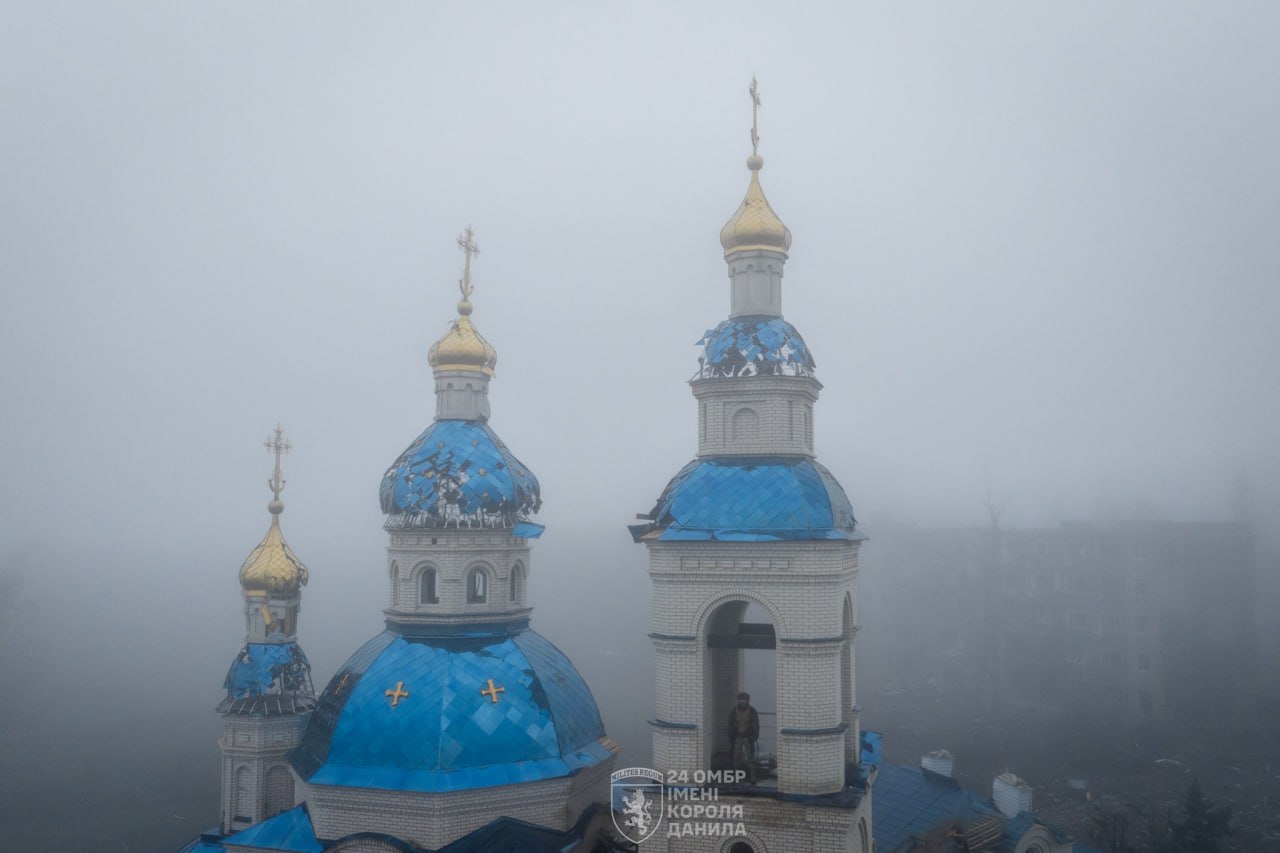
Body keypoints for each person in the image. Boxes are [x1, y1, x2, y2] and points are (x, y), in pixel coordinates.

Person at [726, 691, 759, 783]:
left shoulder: (752, 712)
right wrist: (731, 737)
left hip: (748, 738)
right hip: (737, 737)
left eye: (744, 700)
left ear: (747, 701)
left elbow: (756, 725)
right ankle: (736, 775)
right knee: (736, 757)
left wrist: (754, 736)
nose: (743, 701)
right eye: (741, 700)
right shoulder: (734, 711)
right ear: (739, 700)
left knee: (750, 756)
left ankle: (752, 776)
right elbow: (730, 724)